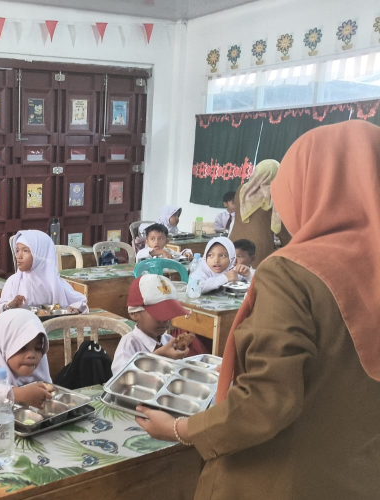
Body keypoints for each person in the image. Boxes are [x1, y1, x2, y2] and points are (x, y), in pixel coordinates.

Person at [135, 120, 380, 500]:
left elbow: (265, 401)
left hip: (283, 476)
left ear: (309, 188)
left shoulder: (294, 274)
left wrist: (180, 429)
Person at [0, 309, 53, 408]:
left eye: (38, 348)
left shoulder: (38, 368)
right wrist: (18, 394)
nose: (32, 355)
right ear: (3, 346)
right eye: (22, 348)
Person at [110, 275, 190, 374]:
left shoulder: (169, 341)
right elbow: (122, 376)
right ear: (134, 313)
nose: (165, 319)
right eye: (158, 314)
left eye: (168, 313)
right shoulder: (130, 344)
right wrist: (158, 357)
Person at [0, 230, 87, 314]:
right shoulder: (13, 282)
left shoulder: (56, 284)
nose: (19, 256)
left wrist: (74, 308)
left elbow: (80, 302)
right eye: (17, 251)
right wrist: (9, 306)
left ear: (40, 254)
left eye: (25, 251)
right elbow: (1, 307)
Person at [228, 159, 292, 266]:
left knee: (232, 272)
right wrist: (291, 244)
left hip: (234, 242)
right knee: (254, 274)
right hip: (257, 248)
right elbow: (280, 227)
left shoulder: (242, 189)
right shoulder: (273, 195)